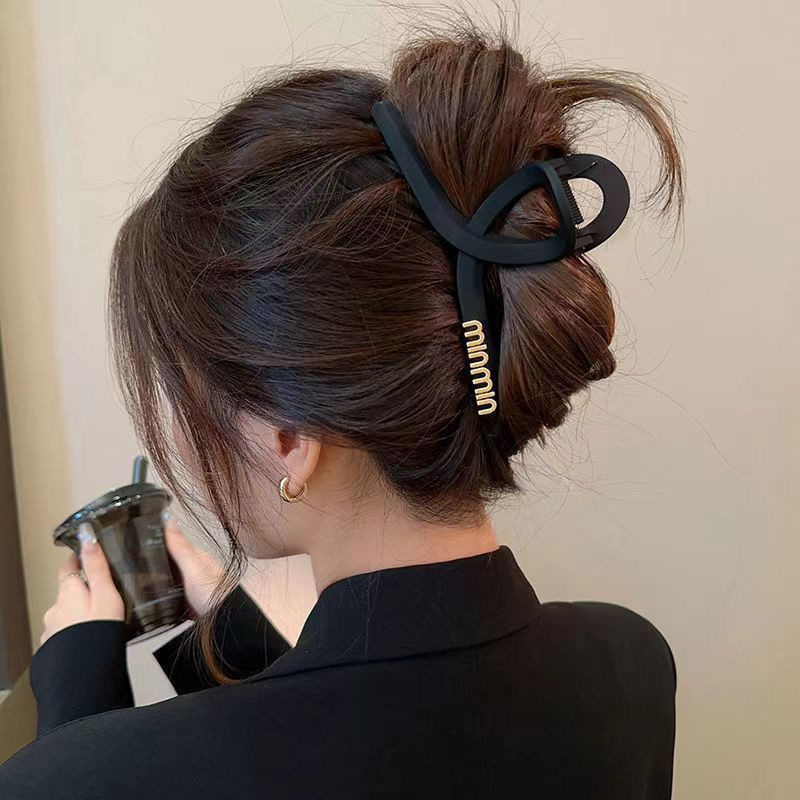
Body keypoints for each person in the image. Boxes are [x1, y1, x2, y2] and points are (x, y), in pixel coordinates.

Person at [0, 24, 682, 800]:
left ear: (288, 438)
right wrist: (230, 640)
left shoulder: (83, 778)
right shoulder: (629, 664)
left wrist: (74, 688)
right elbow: (370, 732)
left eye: (187, 400)